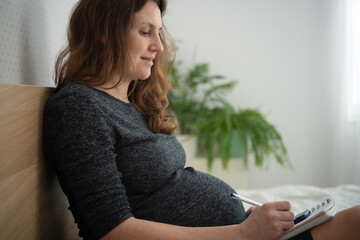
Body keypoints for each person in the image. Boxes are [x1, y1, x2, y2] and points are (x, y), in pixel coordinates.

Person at [43, 0, 360, 239]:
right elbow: (112, 230)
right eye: (145, 32)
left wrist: (250, 221)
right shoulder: (79, 107)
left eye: (158, 32)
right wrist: (241, 233)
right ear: (102, 32)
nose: (158, 45)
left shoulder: (133, 102)